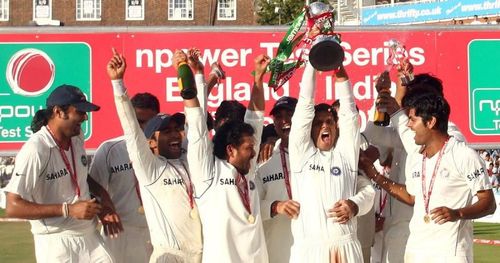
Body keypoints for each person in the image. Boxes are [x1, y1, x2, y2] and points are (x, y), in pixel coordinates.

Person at [360, 92, 496, 262]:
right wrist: (372, 173)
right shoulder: (417, 157)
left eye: (413, 119)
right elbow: (411, 196)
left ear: (430, 122)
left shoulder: (463, 155)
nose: (409, 125)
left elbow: (489, 203)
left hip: (450, 253)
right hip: (416, 250)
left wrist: (458, 213)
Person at [107, 49, 203, 262]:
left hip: (203, 255)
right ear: (150, 142)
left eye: (176, 129)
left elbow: (196, 120)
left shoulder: (189, 159)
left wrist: (189, 72)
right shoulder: (150, 168)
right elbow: (131, 129)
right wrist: (117, 83)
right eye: (166, 131)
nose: (174, 134)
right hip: (170, 256)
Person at [4, 84, 115, 263]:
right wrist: (68, 210)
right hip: (56, 243)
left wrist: (103, 198)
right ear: (58, 112)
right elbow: (13, 206)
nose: (85, 117)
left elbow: (79, 175)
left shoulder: (77, 136)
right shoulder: (36, 149)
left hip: (90, 236)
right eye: (79, 111)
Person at [183, 51, 270, 262]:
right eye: (249, 149)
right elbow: (196, 125)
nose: (254, 155)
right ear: (231, 150)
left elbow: (256, 118)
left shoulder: (247, 173)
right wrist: (193, 76)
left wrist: (258, 78)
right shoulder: (207, 173)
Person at [288, 60, 374, 262]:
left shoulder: (345, 154)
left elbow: (349, 113)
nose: (324, 126)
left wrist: (337, 64)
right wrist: (313, 61)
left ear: (336, 126)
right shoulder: (302, 154)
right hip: (309, 250)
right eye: (318, 123)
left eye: (329, 122)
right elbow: (303, 108)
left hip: (346, 248)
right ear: (310, 129)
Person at [89, 92, 160, 263]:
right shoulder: (110, 149)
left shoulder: (165, 150)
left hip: (158, 231)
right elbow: (91, 188)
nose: (142, 128)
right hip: (120, 232)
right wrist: (104, 210)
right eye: (138, 122)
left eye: (149, 123)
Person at [255, 96, 300, 263]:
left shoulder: (320, 153)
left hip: (314, 249)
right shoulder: (264, 158)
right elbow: (252, 205)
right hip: (278, 251)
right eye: (278, 117)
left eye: (289, 114)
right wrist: (275, 206)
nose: (284, 120)